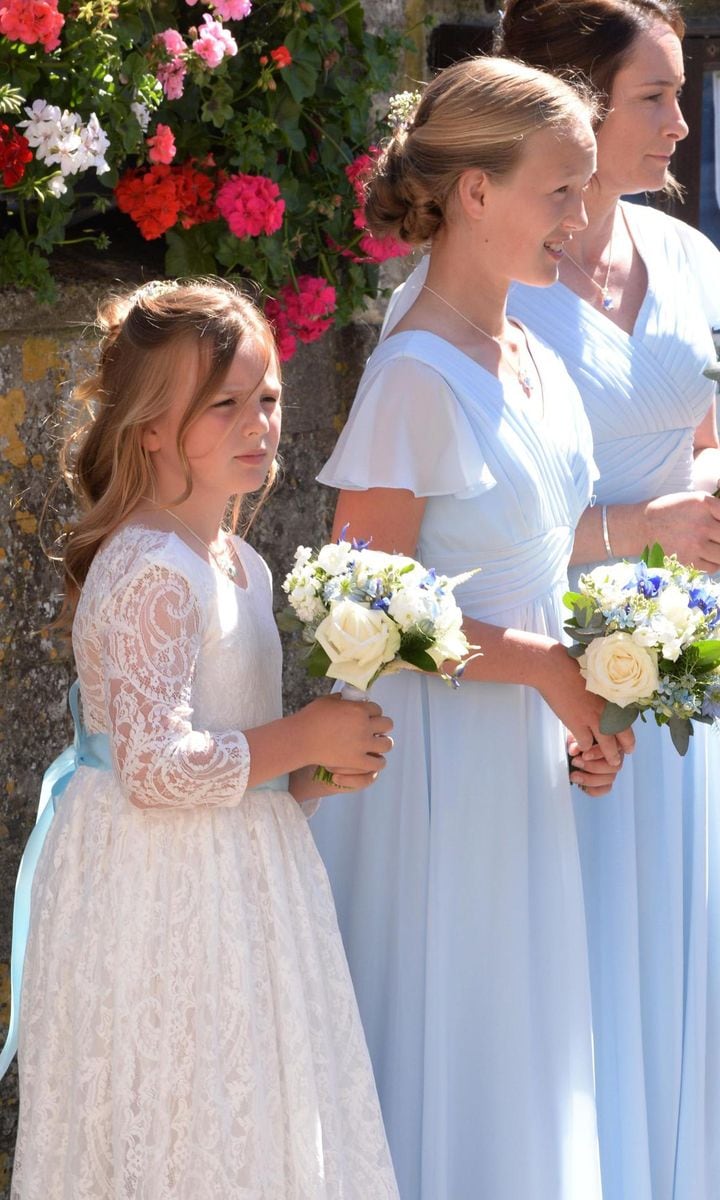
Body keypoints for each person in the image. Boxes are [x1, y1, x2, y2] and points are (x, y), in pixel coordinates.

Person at [385, 4, 720, 1196]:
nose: (682, 123)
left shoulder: (684, 263)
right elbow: (407, 556)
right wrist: (634, 545)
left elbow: (702, 435)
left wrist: (703, 515)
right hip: (527, 674)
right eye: (657, 97)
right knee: (548, 996)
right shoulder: (459, 317)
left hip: (663, 666)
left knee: (669, 962)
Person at [311, 57, 635, 1200]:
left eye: (587, 188)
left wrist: (597, 691)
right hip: (428, 772)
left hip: (523, 768)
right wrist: (544, 671)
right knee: (449, 1035)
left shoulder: (539, 358)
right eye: (561, 188)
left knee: (524, 1039)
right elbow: (358, 606)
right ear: (477, 194)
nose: (582, 218)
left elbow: (540, 561)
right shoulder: (411, 376)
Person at [9, 280, 399, 1199]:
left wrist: (306, 777)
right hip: (161, 893)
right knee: (184, 1119)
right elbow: (151, 769)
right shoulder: (151, 568)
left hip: (240, 881)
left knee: (248, 1119)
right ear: (151, 427)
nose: (257, 423)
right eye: (222, 404)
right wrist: (302, 733)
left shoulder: (238, 561)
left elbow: (228, 756)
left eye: (265, 399)